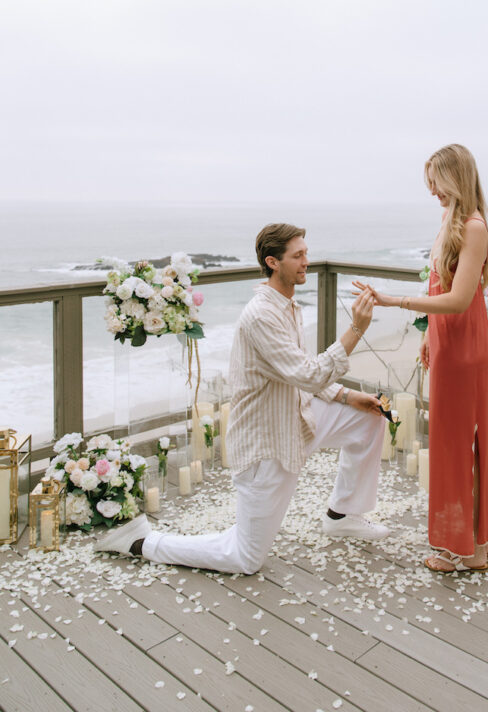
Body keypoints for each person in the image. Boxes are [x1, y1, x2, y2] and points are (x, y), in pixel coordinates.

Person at [97, 223, 389, 572]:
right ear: (273, 262)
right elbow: (307, 374)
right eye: (297, 256)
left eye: (306, 253)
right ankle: (141, 542)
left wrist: (346, 395)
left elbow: (298, 371)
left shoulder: (286, 304)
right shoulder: (261, 315)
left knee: (369, 417)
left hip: (299, 419)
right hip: (267, 445)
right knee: (245, 558)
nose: (306, 262)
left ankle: (342, 515)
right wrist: (355, 329)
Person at [353, 144, 488, 572]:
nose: (432, 189)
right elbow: (442, 286)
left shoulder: (473, 227)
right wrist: (429, 337)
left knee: (459, 445)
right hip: (449, 342)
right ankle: (474, 545)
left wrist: (395, 301)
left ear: (456, 177)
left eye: (437, 180)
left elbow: (457, 300)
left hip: (465, 347)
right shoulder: (450, 221)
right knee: (454, 443)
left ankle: (467, 549)